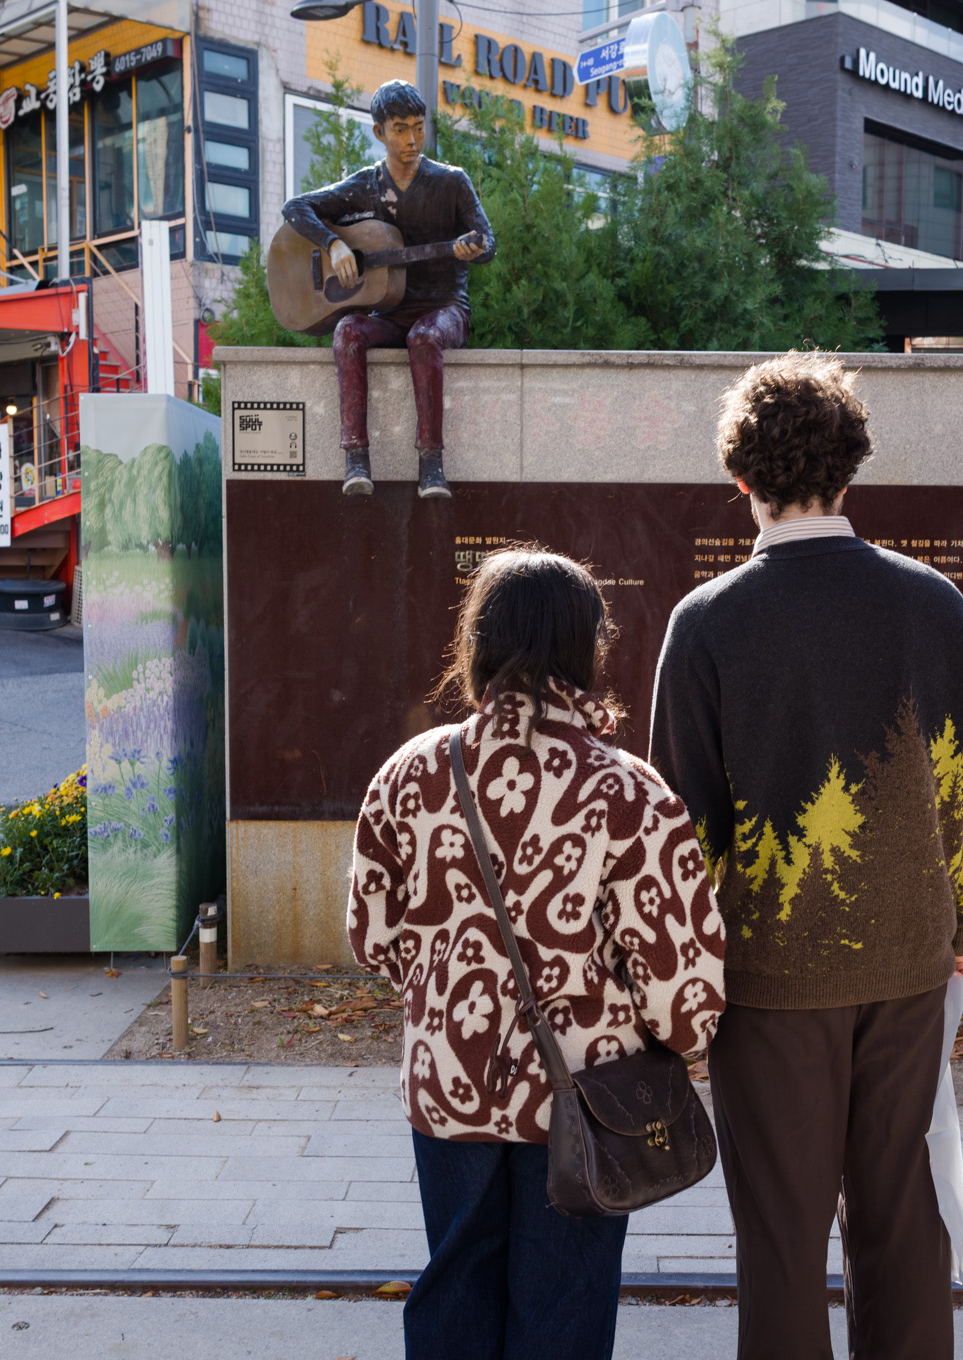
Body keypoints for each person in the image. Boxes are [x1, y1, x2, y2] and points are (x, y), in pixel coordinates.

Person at [648, 352, 963, 1360]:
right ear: (850, 471)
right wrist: (955, 929)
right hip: (909, 967)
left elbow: (680, 837)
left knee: (780, 1241)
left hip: (765, 984)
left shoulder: (705, 624)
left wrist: (680, 986)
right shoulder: (935, 605)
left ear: (740, 479)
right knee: (904, 1224)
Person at [349, 547, 727, 1360]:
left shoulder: (408, 775)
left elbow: (372, 938)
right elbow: (685, 988)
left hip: (448, 1088)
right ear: (586, 648)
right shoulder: (630, 791)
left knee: (453, 1284)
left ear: (476, 645)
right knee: (564, 1308)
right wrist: (664, 1039)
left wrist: (448, 989)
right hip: (588, 1100)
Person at [280, 79, 494, 500]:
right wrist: (334, 244)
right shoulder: (368, 185)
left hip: (445, 308)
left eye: (419, 127)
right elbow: (295, 207)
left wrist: (474, 250)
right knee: (348, 331)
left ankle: (431, 463)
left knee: (425, 337)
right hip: (389, 309)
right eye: (400, 129)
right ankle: (356, 459)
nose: (412, 140)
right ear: (379, 132)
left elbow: (487, 242)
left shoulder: (452, 182)